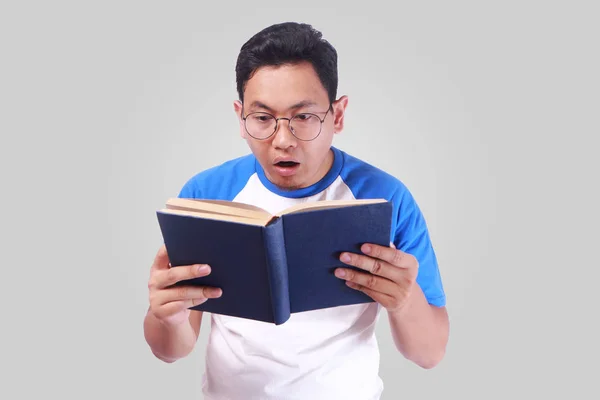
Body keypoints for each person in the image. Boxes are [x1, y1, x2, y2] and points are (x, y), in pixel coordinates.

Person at [143, 21, 449, 400]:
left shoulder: (385, 198)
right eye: (263, 118)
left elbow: (430, 353)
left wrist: (405, 301)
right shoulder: (206, 195)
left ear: (337, 116)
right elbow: (170, 349)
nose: (283, 140)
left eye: (304, 117)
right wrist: (166, 316)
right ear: (241, 118)